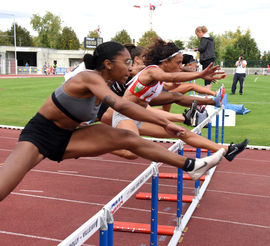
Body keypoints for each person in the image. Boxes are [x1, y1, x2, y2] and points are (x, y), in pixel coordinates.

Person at [0, 41, 227, 202]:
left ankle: (192, 166)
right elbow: (122, 106)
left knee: (128, 139)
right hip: (39, 135)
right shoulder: (89, 77)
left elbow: (142, 102)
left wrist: (166, 119)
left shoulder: (108, 84)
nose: (129, 68)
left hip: (70, 136)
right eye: (126, 63)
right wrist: (165, 122)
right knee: (3, 188)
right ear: (108, 64)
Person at [111, 38, 248, 161]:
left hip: (141, 116)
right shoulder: (152, 71)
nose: (180, 66)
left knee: (181, 132)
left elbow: (173, 78)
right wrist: (200, 74)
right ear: (165, 61)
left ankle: (227, 150)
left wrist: (200, 75)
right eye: (178, 62)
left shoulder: (156, 73)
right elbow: (172, 77)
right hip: (125, 115)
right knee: (131, 154)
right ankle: (101, 142)